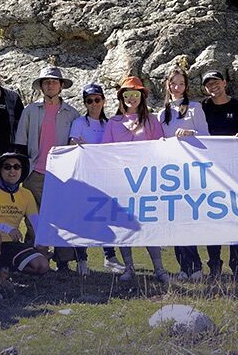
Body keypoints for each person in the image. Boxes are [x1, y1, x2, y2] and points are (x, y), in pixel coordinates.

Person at [101, 76, 171, 284]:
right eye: (127, 95)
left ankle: (159, 268)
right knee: (124, 226)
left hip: (146, 181)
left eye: (136, 94)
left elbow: (160, 147)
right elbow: (104, 151)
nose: (132, 98)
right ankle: (129, 268)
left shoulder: (152, 120)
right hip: (121, 182)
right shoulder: (113, 123)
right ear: (121, 98)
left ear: (142, 97)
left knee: (150, 225)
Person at [14, 65, 81, 273]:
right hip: (35, 172)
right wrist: (22, 171)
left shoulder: (72, 113)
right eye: (46, 82)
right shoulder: (30, 111)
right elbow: (20, 143)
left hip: (62, 174)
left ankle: (63, 261)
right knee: (35, 219)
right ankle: (35, 258)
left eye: (54, 82)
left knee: (62, 217)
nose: (50, 85)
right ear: (41, 86)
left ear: (61, 86)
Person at [201, 70, 238, 277]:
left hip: (236, 171)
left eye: (216, 82)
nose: (213, 86)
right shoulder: (203, 108)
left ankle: (237, 263)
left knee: (235, 216)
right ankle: (214, 264)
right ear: (205, 89)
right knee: (211, 218)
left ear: (224, 83)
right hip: (210, 171)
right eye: (208, 84)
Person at [157, 66, 211, 279]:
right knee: (175, 219)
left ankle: (196, 266)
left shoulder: (195, 108)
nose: (177, 87)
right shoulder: (162, 113)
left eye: (181, 84)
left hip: (192, 169)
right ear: (167, 85)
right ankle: (183, 267)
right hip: (171, 172)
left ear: (186, 86)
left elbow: (206, 135)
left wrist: (191, 133)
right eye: (173, 83)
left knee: (189, 218)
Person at [0, 153, 50, 299]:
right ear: (0, 170)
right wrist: (7, 228)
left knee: (42, 265)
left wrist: (45, 240)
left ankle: (3, 272)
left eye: (17, 167)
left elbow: (36, 223)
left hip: (11, 245)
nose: (12, 170)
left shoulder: (26, 194)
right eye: (7, 167)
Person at [68, 83, 124, 273]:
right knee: (83, 218)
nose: (94, 104)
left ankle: (110, 257)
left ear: (103, 101)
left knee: (105, 217)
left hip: (105, 177)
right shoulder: (79, 123)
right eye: (89, 101)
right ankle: (81, 261)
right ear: (85, 103)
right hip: (84, 178)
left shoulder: (109, 124)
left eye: (97, 100)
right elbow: (72, 144)